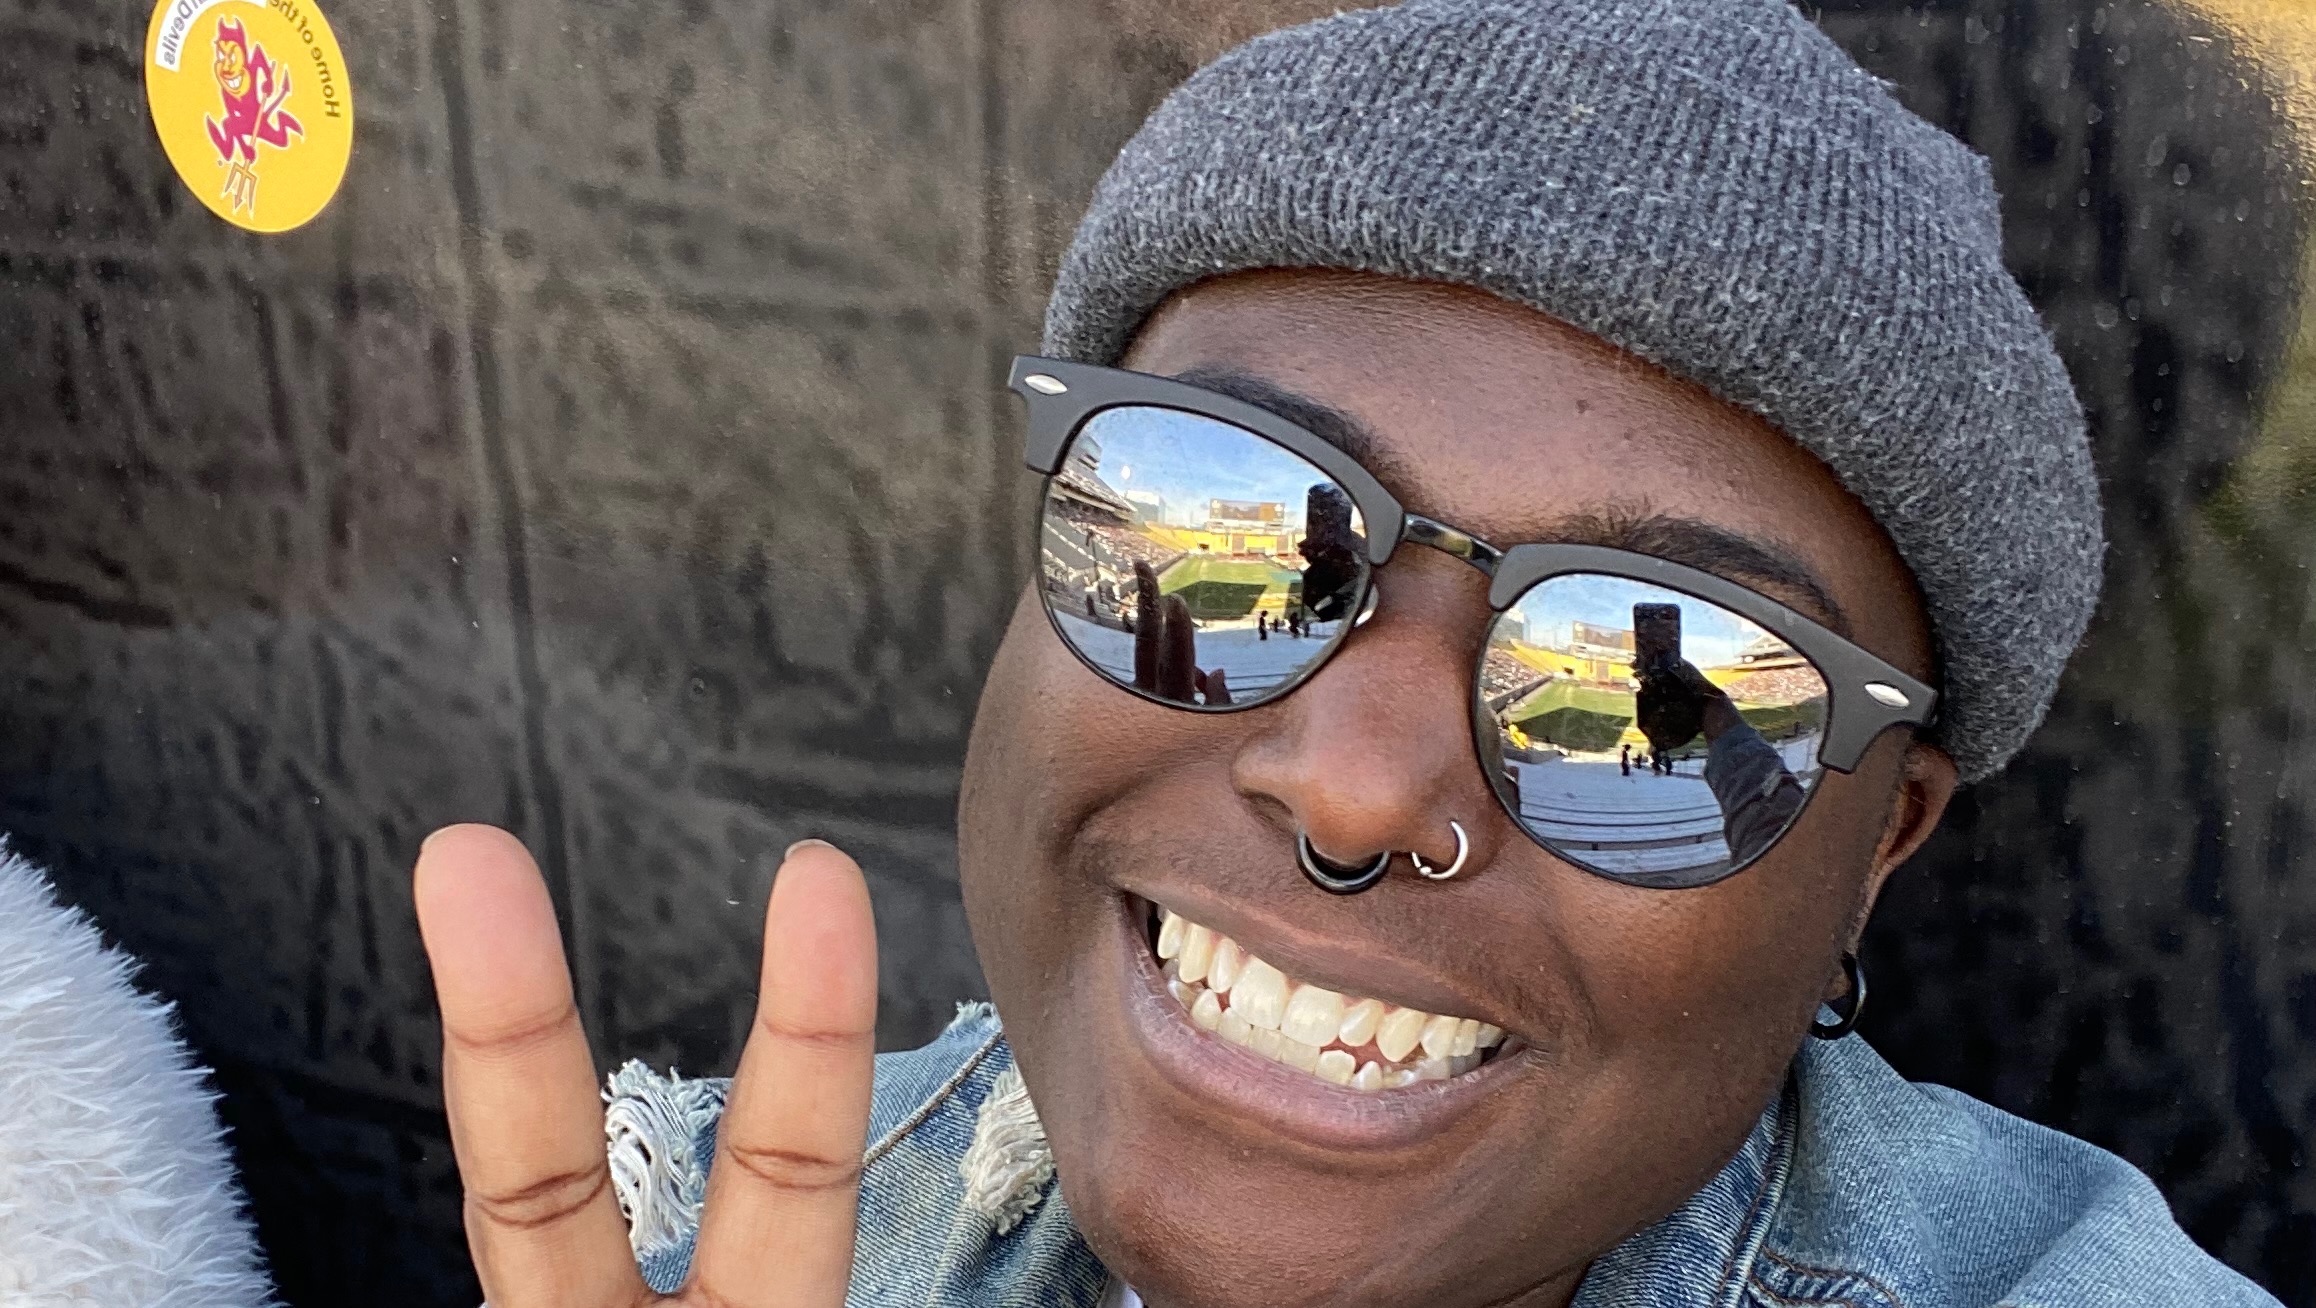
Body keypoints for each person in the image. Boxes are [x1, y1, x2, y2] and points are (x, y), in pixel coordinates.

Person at [410, 3, 2282, 1306]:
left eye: (1659, 687)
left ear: (1879, 846)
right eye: (1220, 534)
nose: (1358, 783)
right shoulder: (747, 1246)